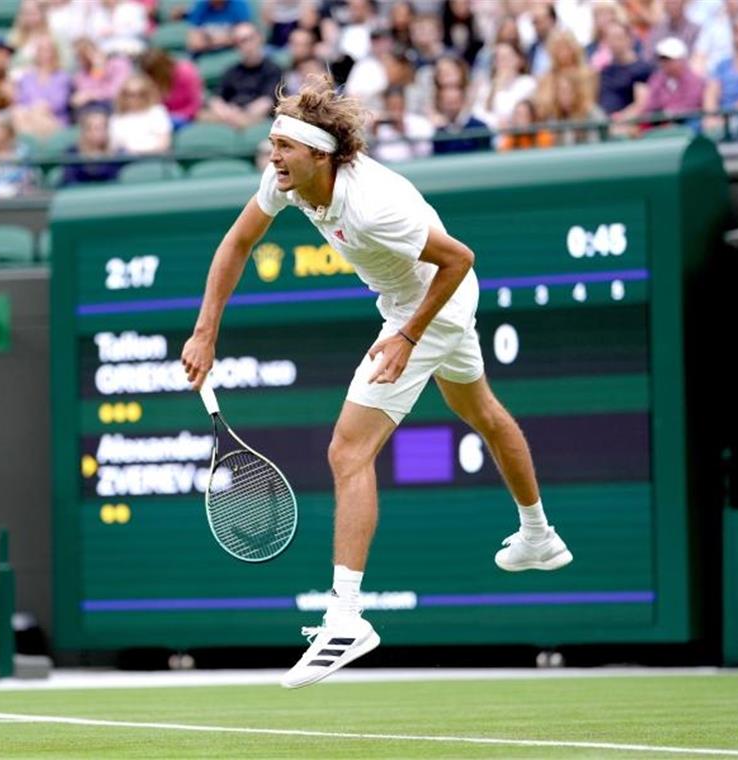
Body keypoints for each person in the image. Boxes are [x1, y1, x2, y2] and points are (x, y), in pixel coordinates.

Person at [179, 74, 573, 690]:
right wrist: (205, 332)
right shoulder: (287, 180)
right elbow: (237, 243)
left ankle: (346, 617)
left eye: (284, 147)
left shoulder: (372, 207)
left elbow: (460, 259)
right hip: (411, 301)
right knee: (485, 416)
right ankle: (539, 536)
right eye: (272, 145)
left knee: (347, 450)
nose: (272, 156)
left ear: (320, 155)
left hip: (431, 305)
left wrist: (408, 335)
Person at [196, 23, 283, 129]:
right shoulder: (231, 71)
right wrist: (227, 113)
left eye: (250, 38)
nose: (247, 45)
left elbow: (267, 102)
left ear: (259, 39)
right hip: (229, 115)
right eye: (241, 42)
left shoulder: (273, 69)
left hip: (257, 118)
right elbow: (216, 98)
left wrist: (241, 113)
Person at [12, 33, 73, 140]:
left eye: (48, 50)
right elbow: (21, 101)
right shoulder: (27, 77)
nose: (44, 54)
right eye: (41, 50)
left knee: (36, 113)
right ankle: (33, 148)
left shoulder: (62, 77)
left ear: (54, 52)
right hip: (29, 117)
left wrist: (40, 107)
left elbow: (60, 102)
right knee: (18, 113)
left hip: (54, 120)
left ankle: (34, 148)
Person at [469, 41, 536, 131]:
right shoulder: (486, 87)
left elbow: (519, 114)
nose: (502, 63)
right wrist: (494, 89)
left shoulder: (528, 83)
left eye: (506, 58)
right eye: (498, 59)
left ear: (519, 60)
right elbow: (477, 114)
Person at [638, 37, 705, 127]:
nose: (665, 63)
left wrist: (669, 114)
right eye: (662, 59)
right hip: (661, 124)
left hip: (686, 123)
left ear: (681, 60)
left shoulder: (694, 80)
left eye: (669, 59)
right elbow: (650, 105)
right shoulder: (656, 79)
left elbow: (691, 104)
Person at [597, 19, 654, 123]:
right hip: (603, 126)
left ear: (630, 39)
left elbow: (641, 104)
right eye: (610, 39)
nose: (614, 43)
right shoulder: (605, 70)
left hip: (628, 127)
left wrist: (618, 119)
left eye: (618, 38)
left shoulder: (641, 69)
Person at [59, 106, 127, 185]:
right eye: (94, 128)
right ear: (84, 131)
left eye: (103, 127)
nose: (99, 133)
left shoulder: (118, 155)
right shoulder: (71, 154)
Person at [138, 48, 204, 128]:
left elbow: (195, 105)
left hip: (185, 118)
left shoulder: (186, 72)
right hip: (161, 117)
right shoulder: (153, 81)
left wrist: (172, 117)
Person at [109, 74, 174, 155]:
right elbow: (114, 148)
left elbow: (164, 143)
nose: (135, 98)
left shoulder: (157, 112)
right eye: (130, 94)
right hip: (127, 161)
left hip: (155, 159)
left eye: (140, 93)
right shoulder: (116, 118)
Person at [370, 85, 434, 163]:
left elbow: (424, 153)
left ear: (404, 103)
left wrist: (405, 132)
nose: (396, 111)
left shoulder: (419, 123)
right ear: (385, 105)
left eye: (399, 106)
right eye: (392, 107)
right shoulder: (380, 124)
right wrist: (374, 135)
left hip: (412, 166)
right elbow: (372, 157)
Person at [70, 36, 133, 115]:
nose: (87, 58)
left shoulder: (119, 64)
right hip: (94, 111)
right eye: (80, 55)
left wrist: (91, 95)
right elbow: (81, 96)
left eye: (88, 52)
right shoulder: (80, 76)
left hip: (117, 107)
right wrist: (97, 71)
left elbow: (116, 91)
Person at [186, 0, 253, 57]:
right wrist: (228, 37)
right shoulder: (201, 5)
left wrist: (209, 39)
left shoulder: (239, 4)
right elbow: (194, 42)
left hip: (234, 54)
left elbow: (245, 36)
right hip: (204, 56)